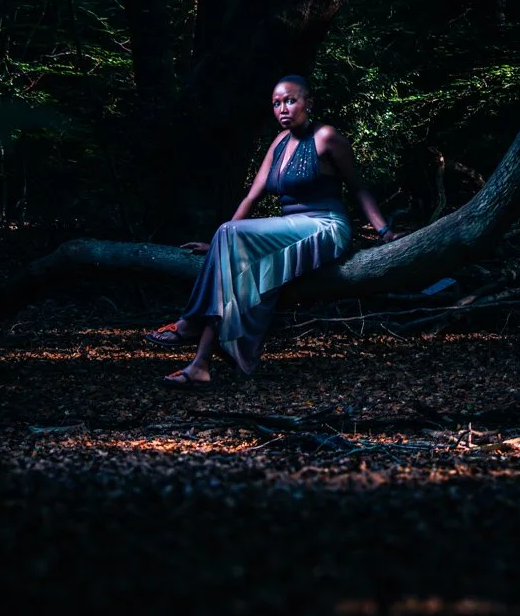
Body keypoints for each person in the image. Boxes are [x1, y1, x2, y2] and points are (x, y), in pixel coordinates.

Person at [144, 75, 395, 387]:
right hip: (290, 227)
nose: (283, 109)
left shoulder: (327, 137)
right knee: (237, 270)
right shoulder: (278, 143)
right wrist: (218, 246)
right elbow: (252, 196)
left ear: (309, 103)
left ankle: (192, 321)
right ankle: (200, 365)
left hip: (325, 226)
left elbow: (358, 188)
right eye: (276, 103)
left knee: (228, 236)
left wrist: (383, 231)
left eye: (290, 100)